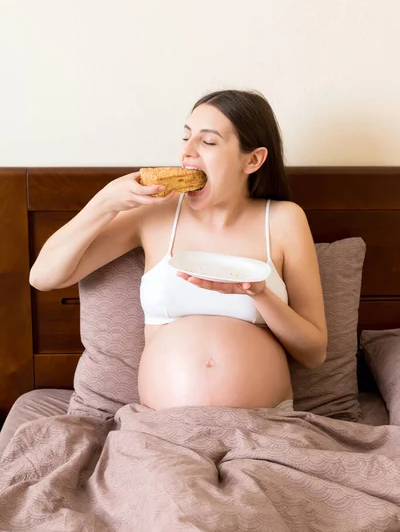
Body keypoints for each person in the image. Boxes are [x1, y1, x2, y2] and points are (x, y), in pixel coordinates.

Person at [29, 89, 327, 411]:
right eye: (185, 138)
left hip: (264, 426)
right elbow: (44, 277)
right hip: (164, 428)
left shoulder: (285, 220)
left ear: (253, 159)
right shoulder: (155, 212)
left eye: (208, 142)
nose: (187, 153)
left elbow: (313, 353)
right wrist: (103, 203)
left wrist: (259, 294)